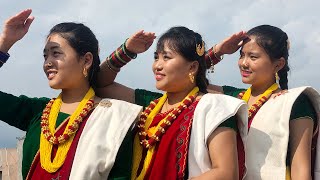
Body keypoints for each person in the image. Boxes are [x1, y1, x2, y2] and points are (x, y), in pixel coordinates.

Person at [0, 9, 156, 179]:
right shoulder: (38, 112)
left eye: (56, 53)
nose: (47, 63)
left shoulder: (114, 118)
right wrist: (4, 43)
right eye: (45, 56)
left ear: (87, 60)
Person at [97, 26, 248, 179]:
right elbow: (100, 84)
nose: (157, 65)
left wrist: (216, 52)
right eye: (156, 57)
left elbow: (226, 173)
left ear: (193, 67)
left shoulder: (214, 107)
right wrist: (126, 51)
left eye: (166, 57)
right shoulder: (150, 105)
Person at [206, 25, 320, 179]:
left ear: (278, 64)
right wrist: (217, 51)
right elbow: (188, 80)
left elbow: (301, 169)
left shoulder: (294, 102)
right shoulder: (233, 98)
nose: (243, 63)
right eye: (241, 55)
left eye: (253, 57)